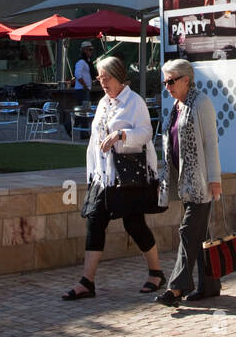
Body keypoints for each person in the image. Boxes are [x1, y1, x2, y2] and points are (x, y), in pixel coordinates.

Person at [62, 55, 165, 299]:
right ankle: (87, 282)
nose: (102, 82)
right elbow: (94, 141)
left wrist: (120, 135)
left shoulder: (134, 102)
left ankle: (156, 273)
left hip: (127, 176)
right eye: (99, 77)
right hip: (103, 177)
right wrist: (92, 174)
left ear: (118, 77)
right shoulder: (103, 103)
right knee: (94, 220)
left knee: (133, 223)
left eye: (105, 78)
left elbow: (146, 133)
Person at [155, 58, 223, 307]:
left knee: (187, 232)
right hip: (184, 183)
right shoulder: (178, 105)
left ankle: (176, 288)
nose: (167, 86)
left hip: (201, 183)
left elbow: (210, 143)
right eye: (165, 82)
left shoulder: (200, 103)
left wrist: (215, 179)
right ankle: (210, 285)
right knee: (200, 234)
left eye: (171, 81)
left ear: (186, 79)